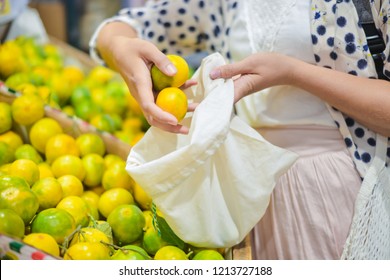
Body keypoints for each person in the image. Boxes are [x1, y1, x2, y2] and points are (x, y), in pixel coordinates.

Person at [89, 0, 390, 260]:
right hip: (246, 193)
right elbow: (121, 29)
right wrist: (123, 49)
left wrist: (293, 73)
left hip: (341, 192)